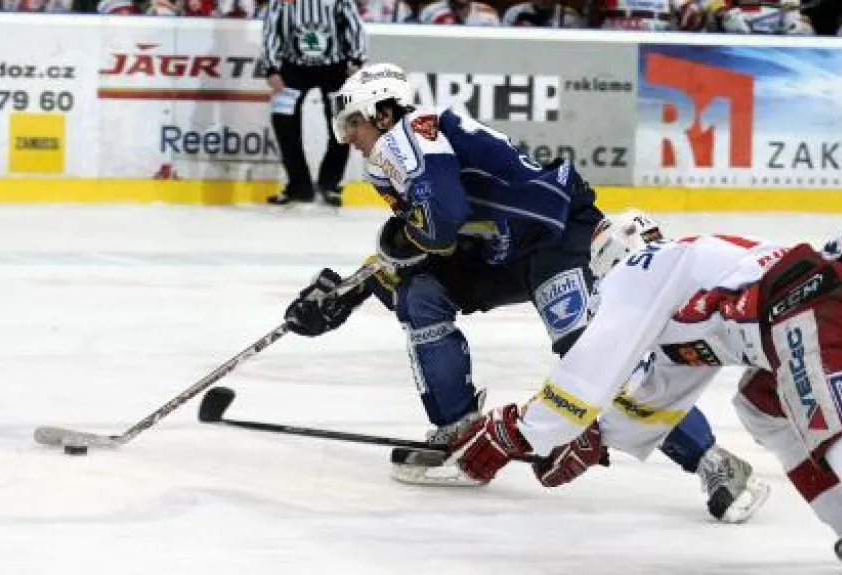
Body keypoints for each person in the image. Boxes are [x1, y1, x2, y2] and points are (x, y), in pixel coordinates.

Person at [277, 63, 768, 524]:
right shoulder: (397, 153)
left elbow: (437, 224)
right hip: (501, 247)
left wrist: (383, 262)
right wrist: (352, 290)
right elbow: (424, 234)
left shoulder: (408, 134)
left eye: (354, 123)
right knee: (419, 294)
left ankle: (714, 461)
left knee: (591, 352)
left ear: (384, 113)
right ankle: (460, 429)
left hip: (554, 236)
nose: (350, 138)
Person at [448, 209, 842, 574]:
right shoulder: (697, 278)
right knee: (762, 407)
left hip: (805, 311)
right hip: (833, 308)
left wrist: (520, 431)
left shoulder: (645, 265)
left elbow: (593, 364)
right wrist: (593, 440)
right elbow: (654, 396)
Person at [259, 0, 366, 206]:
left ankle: (329, 184)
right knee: (282, 119)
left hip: (335, 67)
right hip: (294, 67)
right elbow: (271, 30)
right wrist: (271, 68)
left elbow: (355, 26)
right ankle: (299, 186)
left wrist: (356, 60)